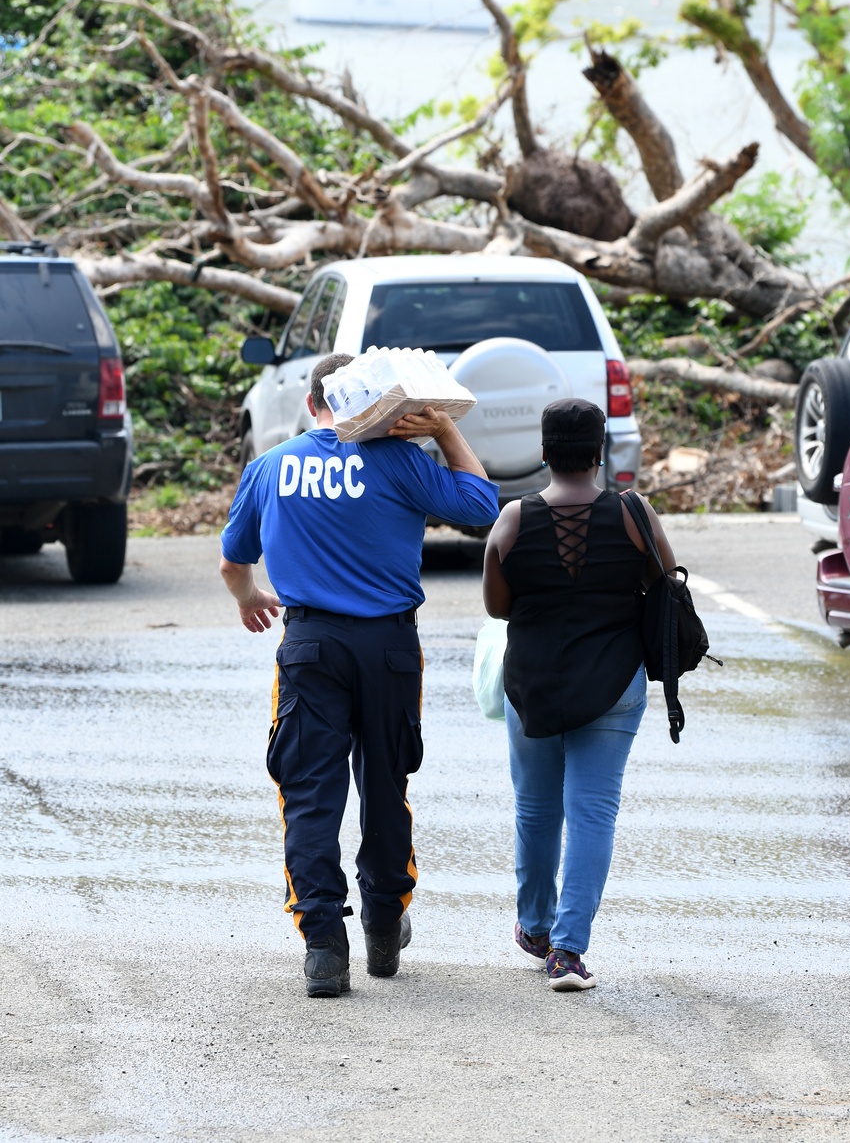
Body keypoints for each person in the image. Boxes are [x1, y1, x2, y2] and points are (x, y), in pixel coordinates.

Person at [220, 352, 499, 998]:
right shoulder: (400, 459)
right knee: (385, 782)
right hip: (390, 648)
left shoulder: (271, 466)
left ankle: (323, 945)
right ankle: (382, 922)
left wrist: (249, 598)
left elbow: (234, 564)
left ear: (314, 401)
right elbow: (482, 507)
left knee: (309, 794)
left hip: (310, 646)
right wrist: (443, 432)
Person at [482, 397, 676, 992]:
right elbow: (667, 582)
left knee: (537, 809)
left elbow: (497, 606)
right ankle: (568, 952)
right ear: (600, 451)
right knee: (593, 811)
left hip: (533, 683)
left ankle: (535, 927)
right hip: (614, 683)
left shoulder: (513, 519)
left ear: (543, 451)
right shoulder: (633, 512)